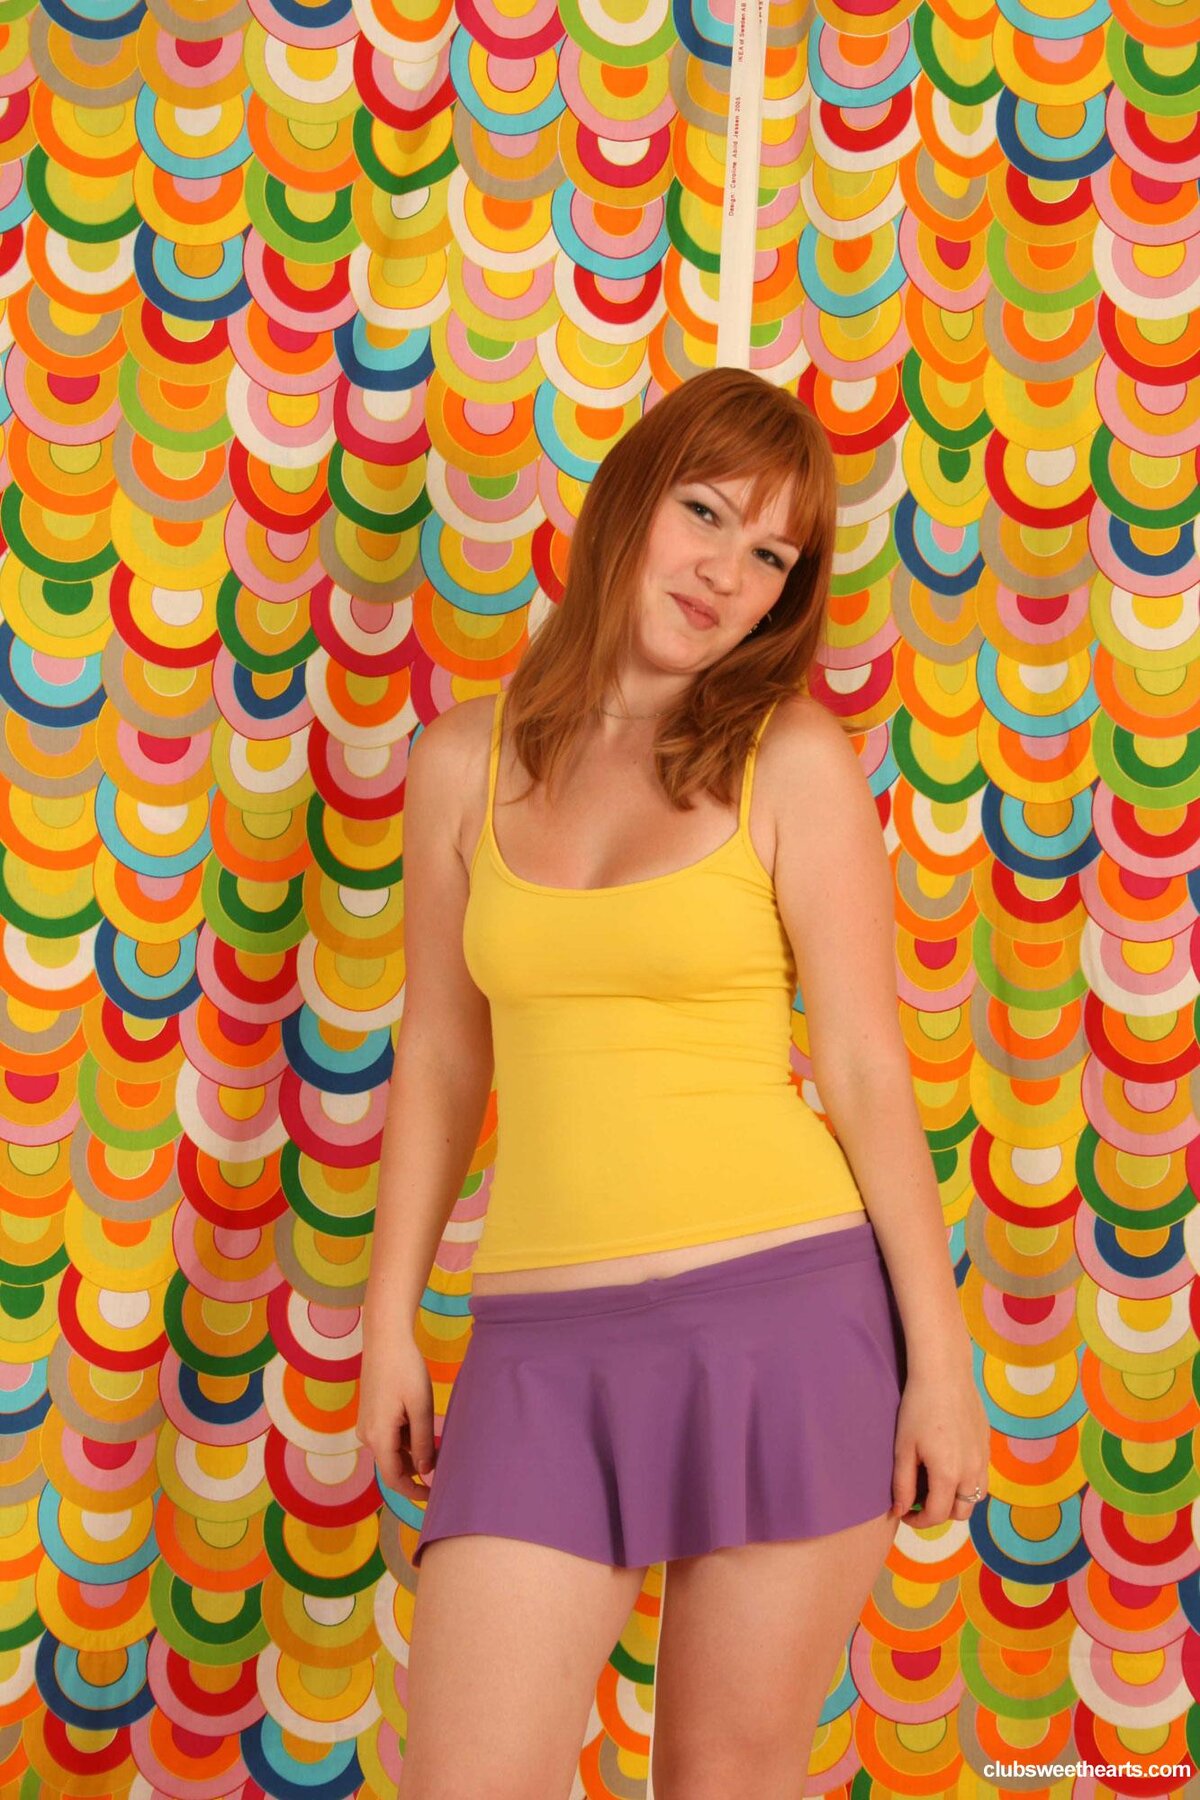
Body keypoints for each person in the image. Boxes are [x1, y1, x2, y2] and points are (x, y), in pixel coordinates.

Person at [356, 367, 991, 1800]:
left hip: (787, 1327)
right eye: (705, 513)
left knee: (721, 1776)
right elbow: (443, 1056)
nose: (725, 573)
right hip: (538, 1352)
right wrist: (386, 1317)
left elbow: (864, 1068)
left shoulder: (791, 759)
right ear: (630, 500)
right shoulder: (458, 764)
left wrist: (943, 1368)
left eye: (771, 555)